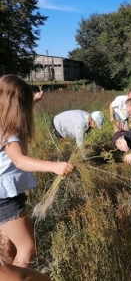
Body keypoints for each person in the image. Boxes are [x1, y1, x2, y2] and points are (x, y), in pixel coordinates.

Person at [0, 74, 74, 268]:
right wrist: (54, 166)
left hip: (3, 196)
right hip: (5, 199)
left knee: (8, 249)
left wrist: (34, 100)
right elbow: (20, 161)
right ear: (17, 106)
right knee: (27, 249)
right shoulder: (9, 133)